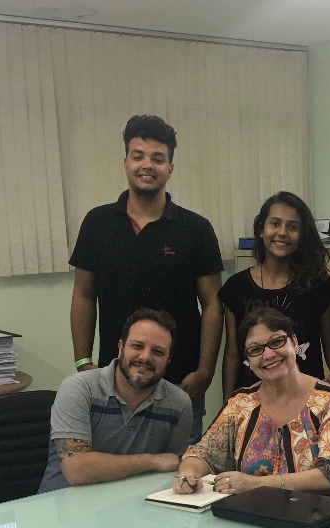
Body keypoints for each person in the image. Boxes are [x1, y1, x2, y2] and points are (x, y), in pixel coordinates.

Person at [69, 114, 223, 440]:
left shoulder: (196, 229)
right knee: (112, 471)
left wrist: (205, 371)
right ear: (125, 162)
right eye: (138, 156)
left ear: (170, 167)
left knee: (181, 476)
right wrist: (83, 361)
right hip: (113, 381)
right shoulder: (97, 224)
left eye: (158, 158)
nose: (147, 165)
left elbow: (212, 304)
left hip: (180, 382)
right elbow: (83, 294)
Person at [172, 307, 330, 509]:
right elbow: (203, 453)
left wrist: (257, 484)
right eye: (256, 349)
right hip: (256, 517)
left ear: (294, 342)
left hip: (324, 520)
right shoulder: (241, 403)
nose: (268, 354)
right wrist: (189, 474)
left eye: (276, 342)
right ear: (248, 360)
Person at [38, 308, 192, 492]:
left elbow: (172, 468)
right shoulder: (79, 388)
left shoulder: (179, 404)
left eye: (157, 352)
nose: (145, 357)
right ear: (121, 347)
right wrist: (152, 460)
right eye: (137, 346)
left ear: (169, 359)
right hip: (63, 510)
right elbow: (77, 470)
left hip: (133, 510)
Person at [219, 191, 330, 398]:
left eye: (293, 227)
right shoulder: (236, 288)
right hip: (254, 398)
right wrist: (229, 403)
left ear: (302, 235)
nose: (283, 232)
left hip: (306, 396)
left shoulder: (318, 286)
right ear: (261, 229)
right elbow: (232, 353)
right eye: (275, 223)